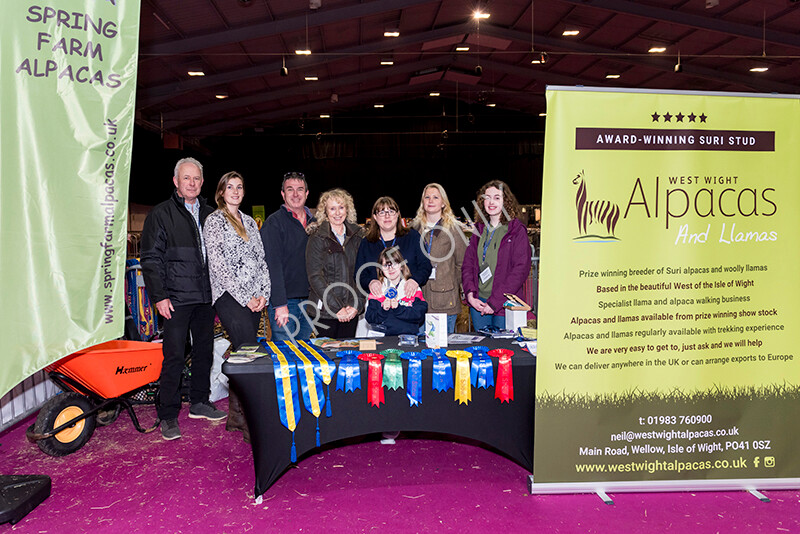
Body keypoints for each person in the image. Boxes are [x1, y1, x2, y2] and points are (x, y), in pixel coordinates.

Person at [140, 157, 226, 441]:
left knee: (203, 352)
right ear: (176, 182)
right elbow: (151, 258)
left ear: (202, 183)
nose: (192, 183)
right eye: (186, 178)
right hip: (175, 299)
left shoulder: (212, 215)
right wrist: (159, 296)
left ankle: (199, 402)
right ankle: (167, 415)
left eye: (196, 179)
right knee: (174, 356)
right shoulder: (160, 214)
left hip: (205, 297)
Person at [203, 172, 270, 442]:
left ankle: (235, 416)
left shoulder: (251, 223)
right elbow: (219, 266)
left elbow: (261, 260)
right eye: (229, 187)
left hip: (254, 298)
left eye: (239, 187)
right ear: (221, 192)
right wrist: (245, 297)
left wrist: (264, 294)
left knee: (245, 353)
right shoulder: (214, 221)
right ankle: (248, 420)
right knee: (246, 352)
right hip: (230, 297)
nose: (235, 191)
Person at [462, 180, 531, 331]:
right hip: (478, 304)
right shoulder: (478, 230)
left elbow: (520, 270)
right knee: (482, 351)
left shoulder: (516, 230)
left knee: (503, 351)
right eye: (487, 197)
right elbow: (468, 265)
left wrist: (495, 302)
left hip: (505, 305)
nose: (491, 202)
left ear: (506, 202)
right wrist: (470, 295)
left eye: (497, 197)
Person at [260, 172, 316, 341]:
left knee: (305, 354)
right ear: (283, 194)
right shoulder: (273, 223)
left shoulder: (316, 223)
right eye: (290, 190)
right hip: (286, 303)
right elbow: (272, 266)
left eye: (300, 189)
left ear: (307, 193)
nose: (295, 194)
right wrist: (280, 304)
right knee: (286, 358)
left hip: (311, 302)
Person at [305, 188, 364, 339]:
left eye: (341, 207)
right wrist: (337, 308)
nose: (337, 213)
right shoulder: (317, 238)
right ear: (325, 212)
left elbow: (363, 274)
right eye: (332, 208)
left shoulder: (358, 236)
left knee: (348, 357)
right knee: (327, 358)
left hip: (351, 310)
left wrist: (355, 305)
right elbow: (315, 277)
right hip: (325, 312)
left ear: (347, 209)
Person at [410, 183, 468, 334]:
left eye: (436, 197)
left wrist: (456, 288)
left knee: (441, 350)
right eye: (427, 197)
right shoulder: (413, 228)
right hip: (417, 298)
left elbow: (462, 264)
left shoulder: (454, 228)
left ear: (443, 203)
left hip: (444, 300)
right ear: (422, 202)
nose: (431, 200)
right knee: (419, 350)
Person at [355, 196, 432, 301]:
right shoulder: (366, 243)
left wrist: (415, 280)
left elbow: (425, 265)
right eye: (382, 212)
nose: (387, 216)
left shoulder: (413, 237)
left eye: (391, 211)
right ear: (375, 217)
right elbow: (359, 273)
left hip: (409, 300)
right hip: (379, 304)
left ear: (398, 214)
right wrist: (370, 282)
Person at [365, 248, 428, 335]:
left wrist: (399, 309)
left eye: (394, 264)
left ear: (401, 266)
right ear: (380, 269)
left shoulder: (412, 288)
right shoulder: (378, 289)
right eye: (386, 265)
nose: (390, 269)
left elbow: (419, 316)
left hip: (408, 338)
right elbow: (370, 318)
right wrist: (383, 310)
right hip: (384, 339)